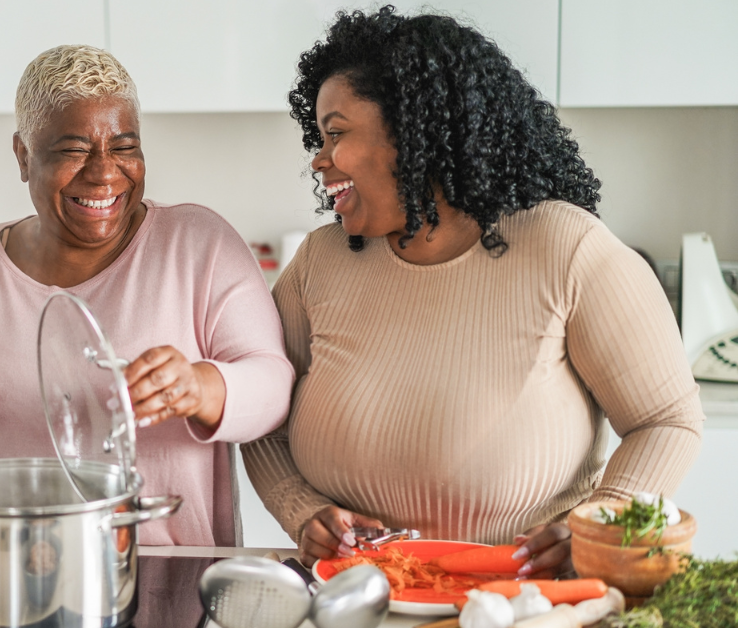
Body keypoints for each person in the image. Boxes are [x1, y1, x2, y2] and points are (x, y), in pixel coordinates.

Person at [241, 7, 703, 576]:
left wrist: (599, 521)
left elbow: (667, 420)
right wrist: (302, 510)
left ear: (416, 133)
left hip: (524, 603)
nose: (320, 158)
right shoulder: (320, 262)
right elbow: (258, 413)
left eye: (336, 134)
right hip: (357, 597)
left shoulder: (566, 248)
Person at [0, 45, 293, 546]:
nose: (104, 173)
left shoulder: (198, 244)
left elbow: (274, 385)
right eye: (73, 150)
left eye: (124, 146)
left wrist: (202, 387)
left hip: (163, 576)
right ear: (23, 156)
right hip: (0, 573)